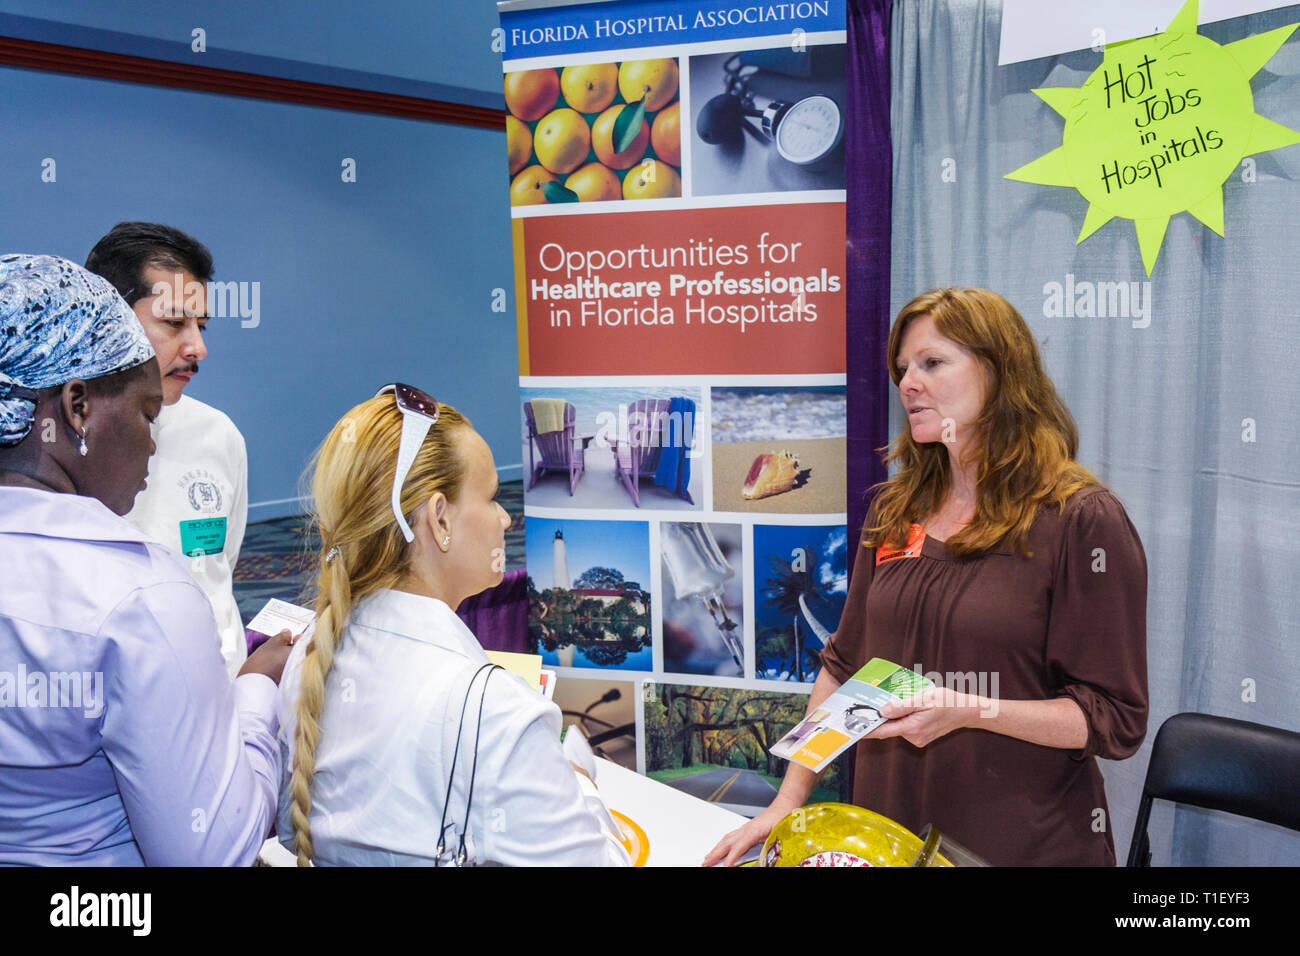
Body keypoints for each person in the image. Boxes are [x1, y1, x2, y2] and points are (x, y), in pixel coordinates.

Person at [707, 288, 1148, 867]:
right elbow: (844, 664)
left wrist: (971, 709)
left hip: (1021, 844)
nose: (907, 383)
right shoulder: (895, 508)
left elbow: (1114, 719)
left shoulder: (1080, 520)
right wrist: (788, 800)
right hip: (887, 836)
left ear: (1000, 371)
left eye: (932, 363)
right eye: (902, 369)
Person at [0, 254, 292, 865]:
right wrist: (257, 698)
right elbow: (212, 852)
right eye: (145, 413)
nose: (153, 440)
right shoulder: (141, 599)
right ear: (77, 407)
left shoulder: (221, 443)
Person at [277, 385, 630, 866]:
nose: (506, 519)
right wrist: (581, 786)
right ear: (440, 520)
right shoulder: (498, 714)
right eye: (491, 497)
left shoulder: (308, 659)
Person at [85, 223, 249, 678]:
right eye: (174, 323)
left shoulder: (219, 435)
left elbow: (221, 568)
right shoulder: (55, 449)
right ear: (109, 316)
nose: (198, 347)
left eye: (200, 325)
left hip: (226, 701)